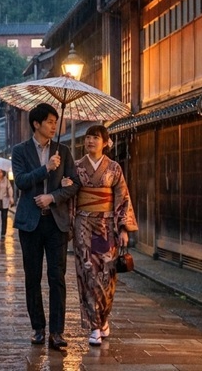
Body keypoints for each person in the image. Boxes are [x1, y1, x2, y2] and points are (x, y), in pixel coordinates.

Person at [63, 125, 138, 347]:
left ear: (105, 142)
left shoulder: (114, 168)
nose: (90, 141)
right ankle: (94, 326)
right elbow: (70, 196)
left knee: (107, 273)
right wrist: (65, 185)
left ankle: (103, 319)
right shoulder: (76, 167)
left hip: (106, 225)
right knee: (87, 271)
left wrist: (123, 229)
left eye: (95, 137)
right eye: (88, 137)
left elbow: (122, 197)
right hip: (83, 223)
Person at [12, 102, 78, 351]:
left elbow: (74, 184)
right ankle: (38, 328)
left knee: (57, 277)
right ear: (36, 124)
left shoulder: (64, 151)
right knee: (32, 276)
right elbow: (21, 181)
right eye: (50, 122)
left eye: (55, 122)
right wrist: (46, 168)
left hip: (56, 222)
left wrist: (53, 197)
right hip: (30, 223)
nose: (54, 126)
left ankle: (57, 332)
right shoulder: (20, 151)